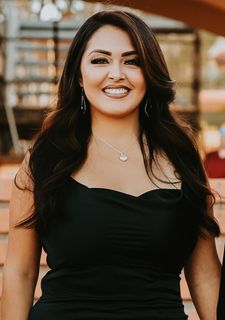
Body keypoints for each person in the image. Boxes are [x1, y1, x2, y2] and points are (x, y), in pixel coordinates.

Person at [1, 10, 221, 320]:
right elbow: (20, 273)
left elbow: (206, 276)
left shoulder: (182, 157)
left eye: (132, 61)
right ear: (79, 75)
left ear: (150, 73)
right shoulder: (44, 158)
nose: (116, 73)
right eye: (100, 60)